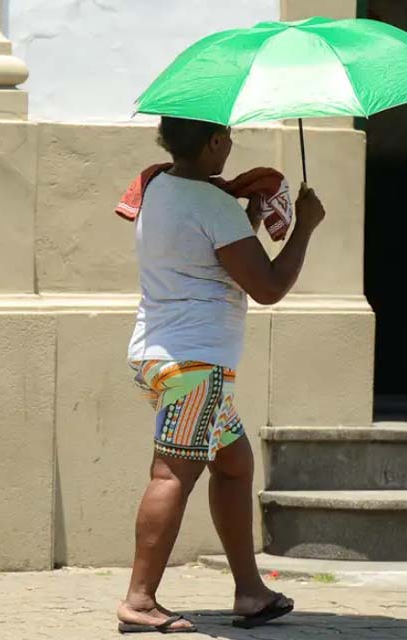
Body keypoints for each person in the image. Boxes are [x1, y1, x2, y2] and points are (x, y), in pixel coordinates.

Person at [116, 116, 326, 634]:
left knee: (233, 464)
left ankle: (251, 592)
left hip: (160, 354)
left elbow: (207, 258)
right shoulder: (212, 203)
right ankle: (140, 601)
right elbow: (268, 286)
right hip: (196, 364)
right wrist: (304, 226)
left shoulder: (157, 185)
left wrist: (248, 218)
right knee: (172, 474)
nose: (231, 144)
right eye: (227, 136)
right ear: (213, 142)